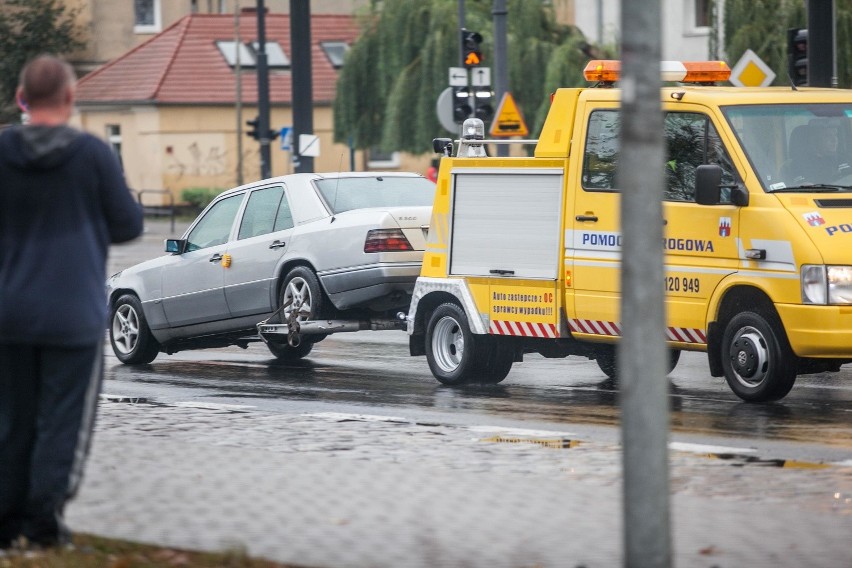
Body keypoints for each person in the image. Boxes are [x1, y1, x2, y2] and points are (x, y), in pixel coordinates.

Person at [0, 55, 143, 550]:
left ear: (23, 98)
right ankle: (43, 526)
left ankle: (5, 524)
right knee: (63, 421)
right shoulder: (92, 155)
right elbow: (128, 225)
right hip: (71, 316)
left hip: (9, 313)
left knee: (10, 420)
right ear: (69, 98)